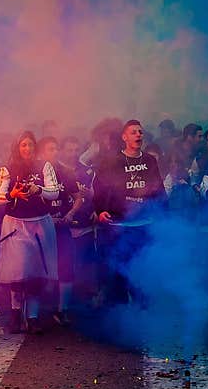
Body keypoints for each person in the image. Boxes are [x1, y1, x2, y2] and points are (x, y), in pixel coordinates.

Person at [0, 131, 59, 334]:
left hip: (40, 224)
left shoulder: (44, 166)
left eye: (30, 145)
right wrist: (12, 194)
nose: (27, 149)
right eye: (23, 145)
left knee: (36, 274)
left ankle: (32, 318)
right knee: (18, 272)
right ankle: (15, 315)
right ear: (17, 147)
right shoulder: (7, 169)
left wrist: (37, 190)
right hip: (15, 225)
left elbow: (55, 191)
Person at [94, 119, 165, 307]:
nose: (138, 135)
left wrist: (162, 214)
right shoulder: (112, 162)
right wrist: (100, 211)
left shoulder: (149, 161)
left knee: (143, 269)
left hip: (143, 225)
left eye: (140, 132)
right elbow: (99, 189)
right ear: (124, 137)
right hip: (119, 226)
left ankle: (143, 313)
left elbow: (159, 190)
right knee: (119, 271)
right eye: (133, 132)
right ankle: (120, 316)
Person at [37, 136, 84, 326]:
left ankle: (62, 310)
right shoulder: (36, 172)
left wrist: (70, 213)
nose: (54, 152)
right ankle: (36, 312)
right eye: (50, 149)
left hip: (62, 228)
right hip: (41, 227)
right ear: (42, 152)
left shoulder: (66, 172)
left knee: (65, 266)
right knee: (39, 268)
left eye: (56, 148)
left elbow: (78, 197)